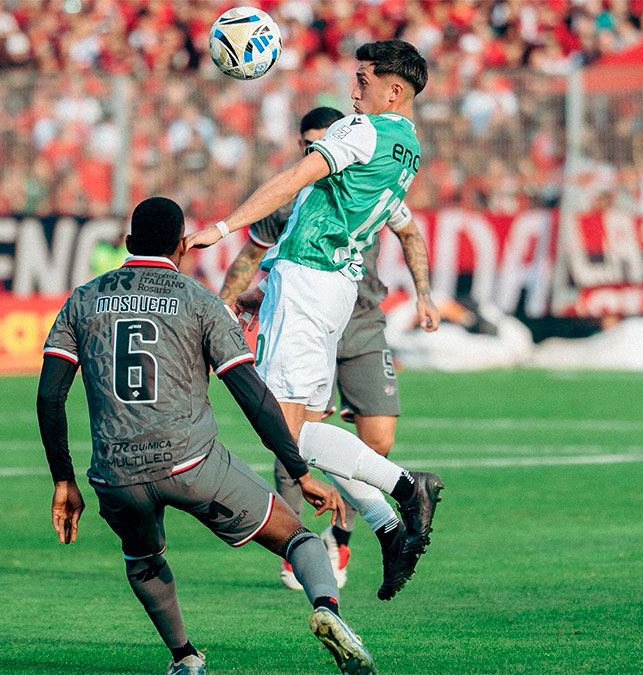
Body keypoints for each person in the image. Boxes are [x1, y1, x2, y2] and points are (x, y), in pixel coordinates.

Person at [36, 197, 376, 675]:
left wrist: (63, 480)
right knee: (298, 539)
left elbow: (49, 397)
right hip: (192, 465)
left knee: (142, 560)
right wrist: (300, 473)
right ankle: (327, 610)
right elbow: (253, 396)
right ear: (182, 245)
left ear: (129, 243)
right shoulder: (199, 301)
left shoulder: (83, 299)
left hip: (117, 474)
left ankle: (185, 657)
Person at [185, 39, 443, 601]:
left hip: (308, 279)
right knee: (295, 430)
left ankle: (405, 488)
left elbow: (294, 178)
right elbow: (345, 209)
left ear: (393, 90)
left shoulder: (362, 129)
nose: (353, 91)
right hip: (333, 286)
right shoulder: (409, 146)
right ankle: (388, 526)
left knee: (284, 430)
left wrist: (223, 228)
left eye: (363, 80)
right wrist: (262, 287)